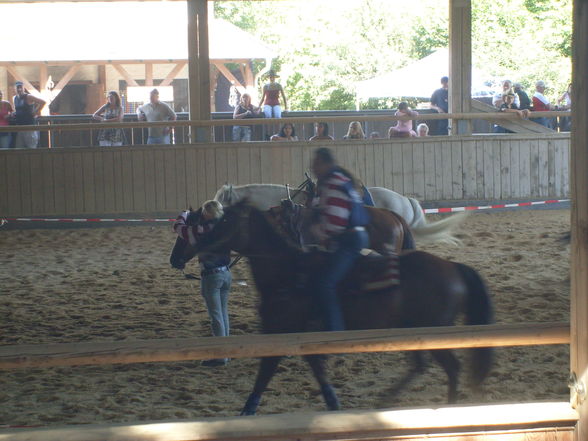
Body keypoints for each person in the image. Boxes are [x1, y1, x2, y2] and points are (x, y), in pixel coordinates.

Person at [308, 147, 369, 331]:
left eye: (316, 163)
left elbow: (335, 223)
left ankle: (335, 332)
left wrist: (317, 232)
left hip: (348, 242)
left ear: (326, 164)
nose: (313, 167)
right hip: (355, 236)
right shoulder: (340, 180)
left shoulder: (332, 183)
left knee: (324, 283)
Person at [173, 200, 232, 367]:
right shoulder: (225, 227)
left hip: (211, 276)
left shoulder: (201, 230)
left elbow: (178, 228)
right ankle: (227, 350)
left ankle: (221, 356)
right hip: (226, 273)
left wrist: (185, 213)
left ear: (206, 214)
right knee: (223, 313)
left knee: (215, 317)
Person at [12, 81, 45, 148]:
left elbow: (42, 102)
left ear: (23, 88)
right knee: (19, 149)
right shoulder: (15, 98)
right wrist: (14, 113)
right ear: (15, 89)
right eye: (17, 88)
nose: (19, 89)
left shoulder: (28, 96)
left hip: (29, 127)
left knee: (31, 148)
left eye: (20, 87)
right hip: (20, 127)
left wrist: (35, 112)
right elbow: (18, 109)